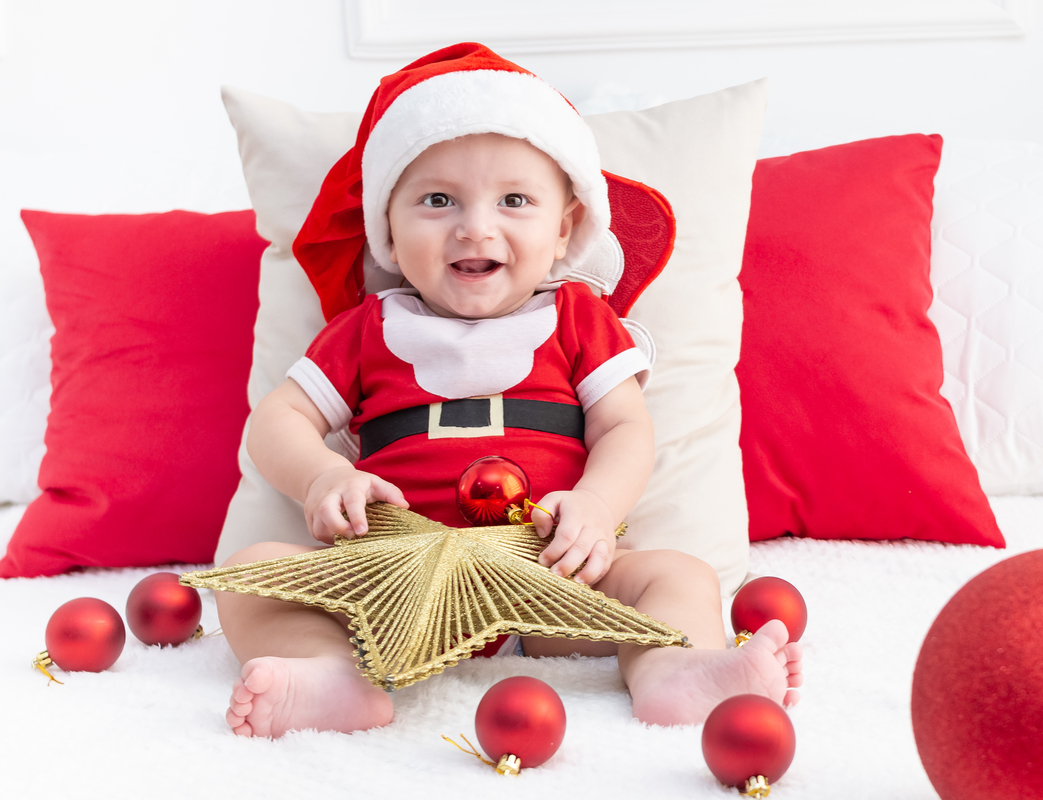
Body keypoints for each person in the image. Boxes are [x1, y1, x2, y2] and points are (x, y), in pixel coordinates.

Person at [217, 42, 801, 738]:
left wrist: (596, 505)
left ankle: (674, 670)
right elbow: (280, 418)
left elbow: (624, 427)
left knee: (680, 575)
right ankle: (331, 675)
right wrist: (322, 477)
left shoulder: (578, 319)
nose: (476, 226)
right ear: (388, 234)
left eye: (515, 201)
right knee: (251, 575)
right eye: (437, 200)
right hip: (390, 579)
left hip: (553, 573)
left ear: (564, 231)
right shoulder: (367, 328)